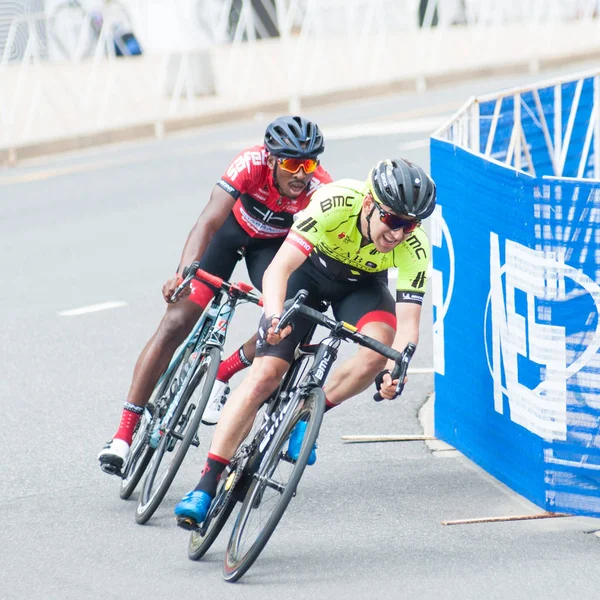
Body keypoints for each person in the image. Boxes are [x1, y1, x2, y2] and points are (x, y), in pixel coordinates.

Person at [174, 157, 436, 524]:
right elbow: (280, 268)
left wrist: (396, 366)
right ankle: (206, 483)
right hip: (308, 273)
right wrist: (273, 316)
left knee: (378, 349)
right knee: (265, 375)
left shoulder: (415, 246)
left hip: (362, 287)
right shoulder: (335, 201)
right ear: (368, 204)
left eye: (409, 226)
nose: (398, 234)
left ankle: (307, 413)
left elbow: (409, 325)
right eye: (392, 220)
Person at [98, 116, 332, 475]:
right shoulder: (249, 164)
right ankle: (123, 437)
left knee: (287, 315)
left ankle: (224, 371)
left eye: (309, 164)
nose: (301, 174)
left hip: (270, 250)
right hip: (229, 235)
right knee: (175, 322)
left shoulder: (320, 188)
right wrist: (183, 272)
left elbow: (321, 248)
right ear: (270, 159)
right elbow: (207, 221)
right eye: (291, 163)